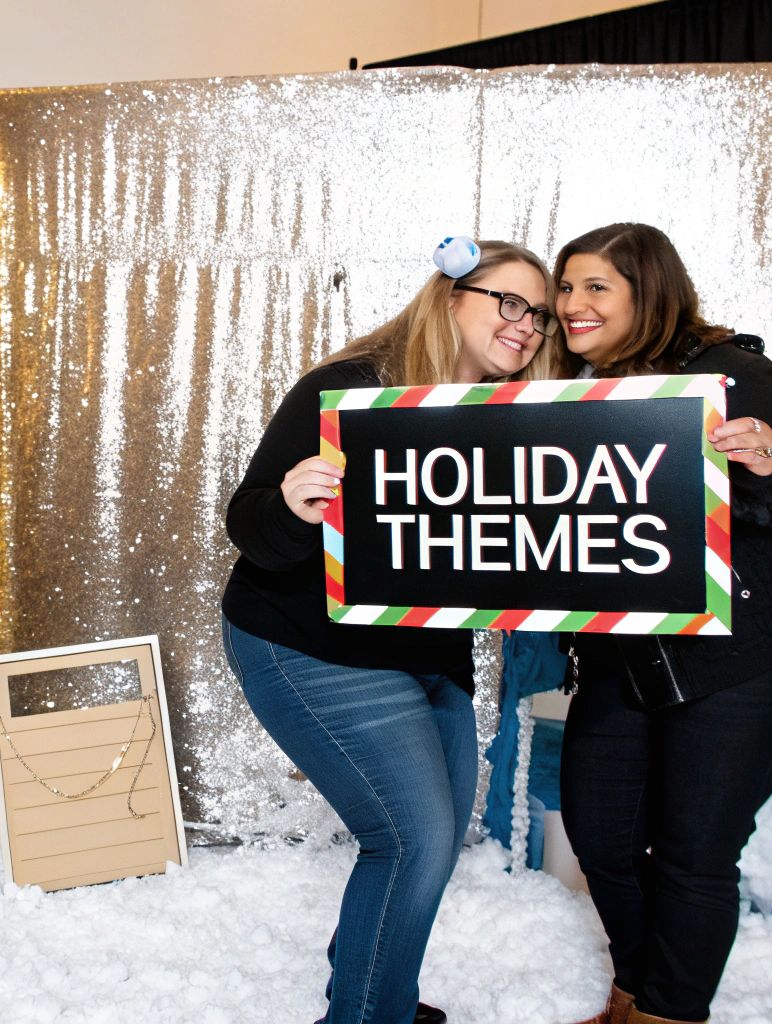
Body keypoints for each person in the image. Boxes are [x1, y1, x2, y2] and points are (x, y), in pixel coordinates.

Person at [222, 238, 567, 1024]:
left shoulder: (513, 418)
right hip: (308, 642)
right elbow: (251, 528)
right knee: (410, 839)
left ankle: (371, 998)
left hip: (426, 655)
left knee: (431, 847)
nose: (526, 324)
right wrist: (290, 502)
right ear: (450, 298)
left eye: (539, 314)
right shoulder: (347, 390)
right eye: (507, 301)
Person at [548, 224, 772, 1024]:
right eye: (566, 287)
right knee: (602, 835)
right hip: (623, 654)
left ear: (648, 293)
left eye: (595, 287)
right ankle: (637, 988)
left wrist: (769, 470)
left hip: (742, 655)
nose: (572, 304)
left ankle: (666, 1012)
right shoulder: (570, 392)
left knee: (695, 851)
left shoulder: (733, 372)